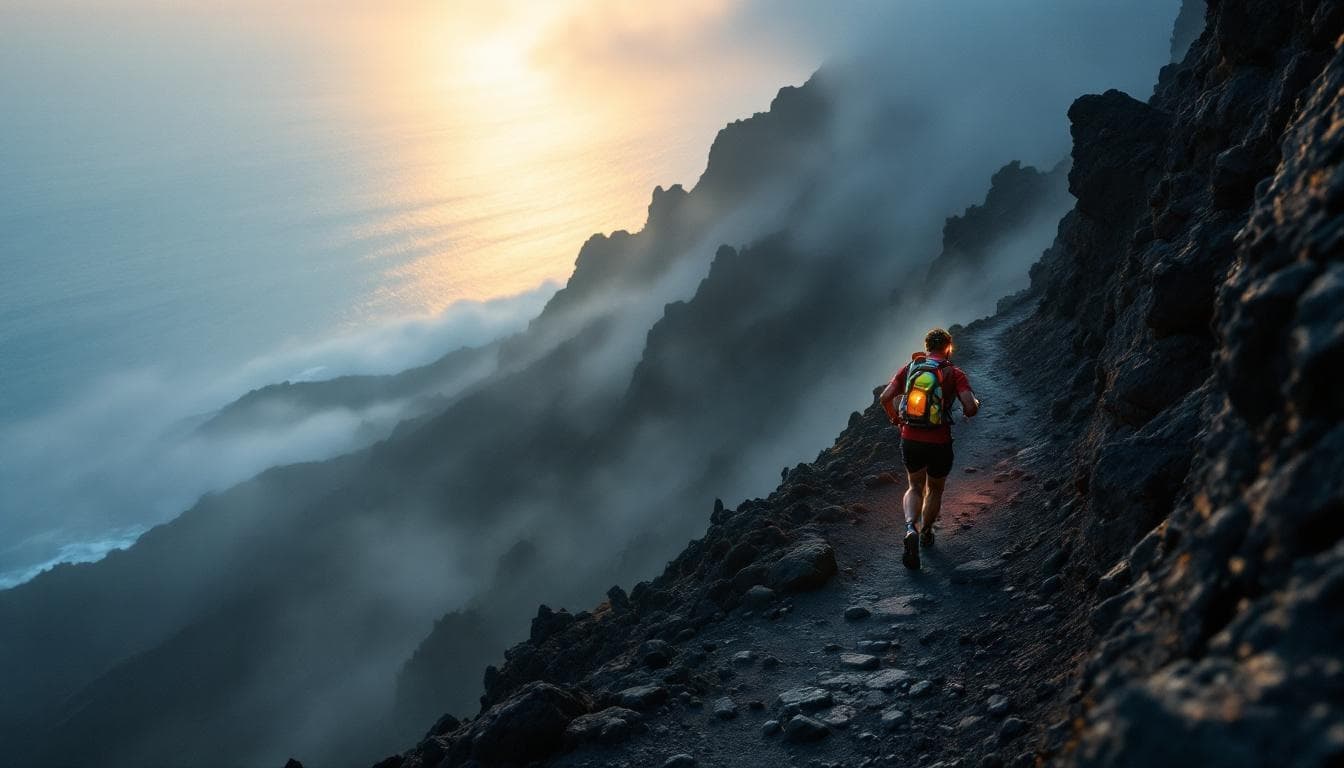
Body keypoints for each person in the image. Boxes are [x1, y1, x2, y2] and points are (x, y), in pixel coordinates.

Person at [878, 328, 980, 570]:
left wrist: (895, 418)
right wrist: (973, 405)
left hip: (910, 438)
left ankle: (910, 528)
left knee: (914, 486)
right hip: (939, 441)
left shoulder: (910, 368)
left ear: (926, 347)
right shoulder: (954, 373)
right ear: (948, 348)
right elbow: (970, 407)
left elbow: (884, 397)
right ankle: (925, 533)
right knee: (934, 488)